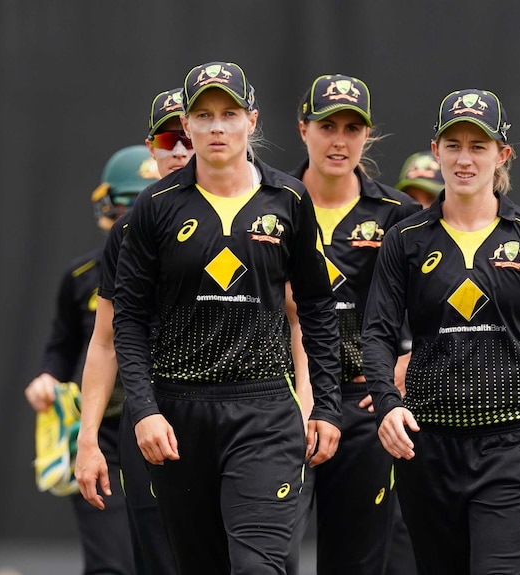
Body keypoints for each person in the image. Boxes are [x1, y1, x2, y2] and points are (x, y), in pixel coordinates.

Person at [362, 88, 520, 574]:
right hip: (427, 448)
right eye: (453, 145)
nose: (465, 158)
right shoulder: (406, 240)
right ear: (436, 151)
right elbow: (377, 335)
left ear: (503, 154)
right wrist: (388, 406)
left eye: (479, 146)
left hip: (513, 449)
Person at [111, 61, 342, 574]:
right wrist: (145, 409)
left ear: (252, 121)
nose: (217, 127)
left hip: (264, 410)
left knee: (259, 565)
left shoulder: (288, 199)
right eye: (204, 115)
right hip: (179, 414)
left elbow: (318, 309)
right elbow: (126, 320)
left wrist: (325, 404)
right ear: (187, 125)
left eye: (229, 113)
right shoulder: (155, 207)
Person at [285, 73, 421, 575]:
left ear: (367, 135)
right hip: (282, 403)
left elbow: (440, 303)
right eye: (327, 126)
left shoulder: (396, 214)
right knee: (267, 555)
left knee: (358, 561)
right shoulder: (270, 203)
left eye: (351, 128)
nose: (339, 141)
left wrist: (407, 364)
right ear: (304, 130)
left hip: (363, 405)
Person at [24, 144, 160, 574]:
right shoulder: (83, 277)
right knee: (111, 565)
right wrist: (47, 376)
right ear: (108, 208)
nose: (134, 220)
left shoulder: (193, 270)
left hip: (171, 427)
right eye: (127, 206)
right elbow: (63, 342)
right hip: (105, 433)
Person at [75, 87, 193, 575]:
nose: (182, 150)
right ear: (152, 146)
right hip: (144, 418)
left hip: (239, 415)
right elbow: (103, 342)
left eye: (189, 136)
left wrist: (307, 407)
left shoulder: (267, 210)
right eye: (170, 139)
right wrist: (86, 440)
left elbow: (299, 318)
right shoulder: (129, 234)